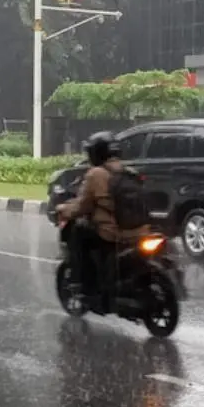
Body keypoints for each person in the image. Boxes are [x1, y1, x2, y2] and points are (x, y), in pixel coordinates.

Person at [56, 131, 145, 307]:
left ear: (96, 153)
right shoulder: (129, 172)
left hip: (111, 233)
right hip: (139, 231)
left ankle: (84, 284)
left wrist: (62, 209)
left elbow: (81, 206)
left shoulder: (96, 174)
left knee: (78, 232)